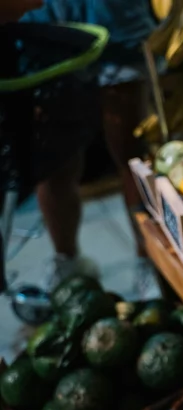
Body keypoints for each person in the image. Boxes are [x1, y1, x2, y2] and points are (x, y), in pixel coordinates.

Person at [18, 0, 156, 288]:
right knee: (55, 163)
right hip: (47, 29)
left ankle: (151, 259)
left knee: (133, 156)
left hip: (114, 22)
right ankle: (67, 267)